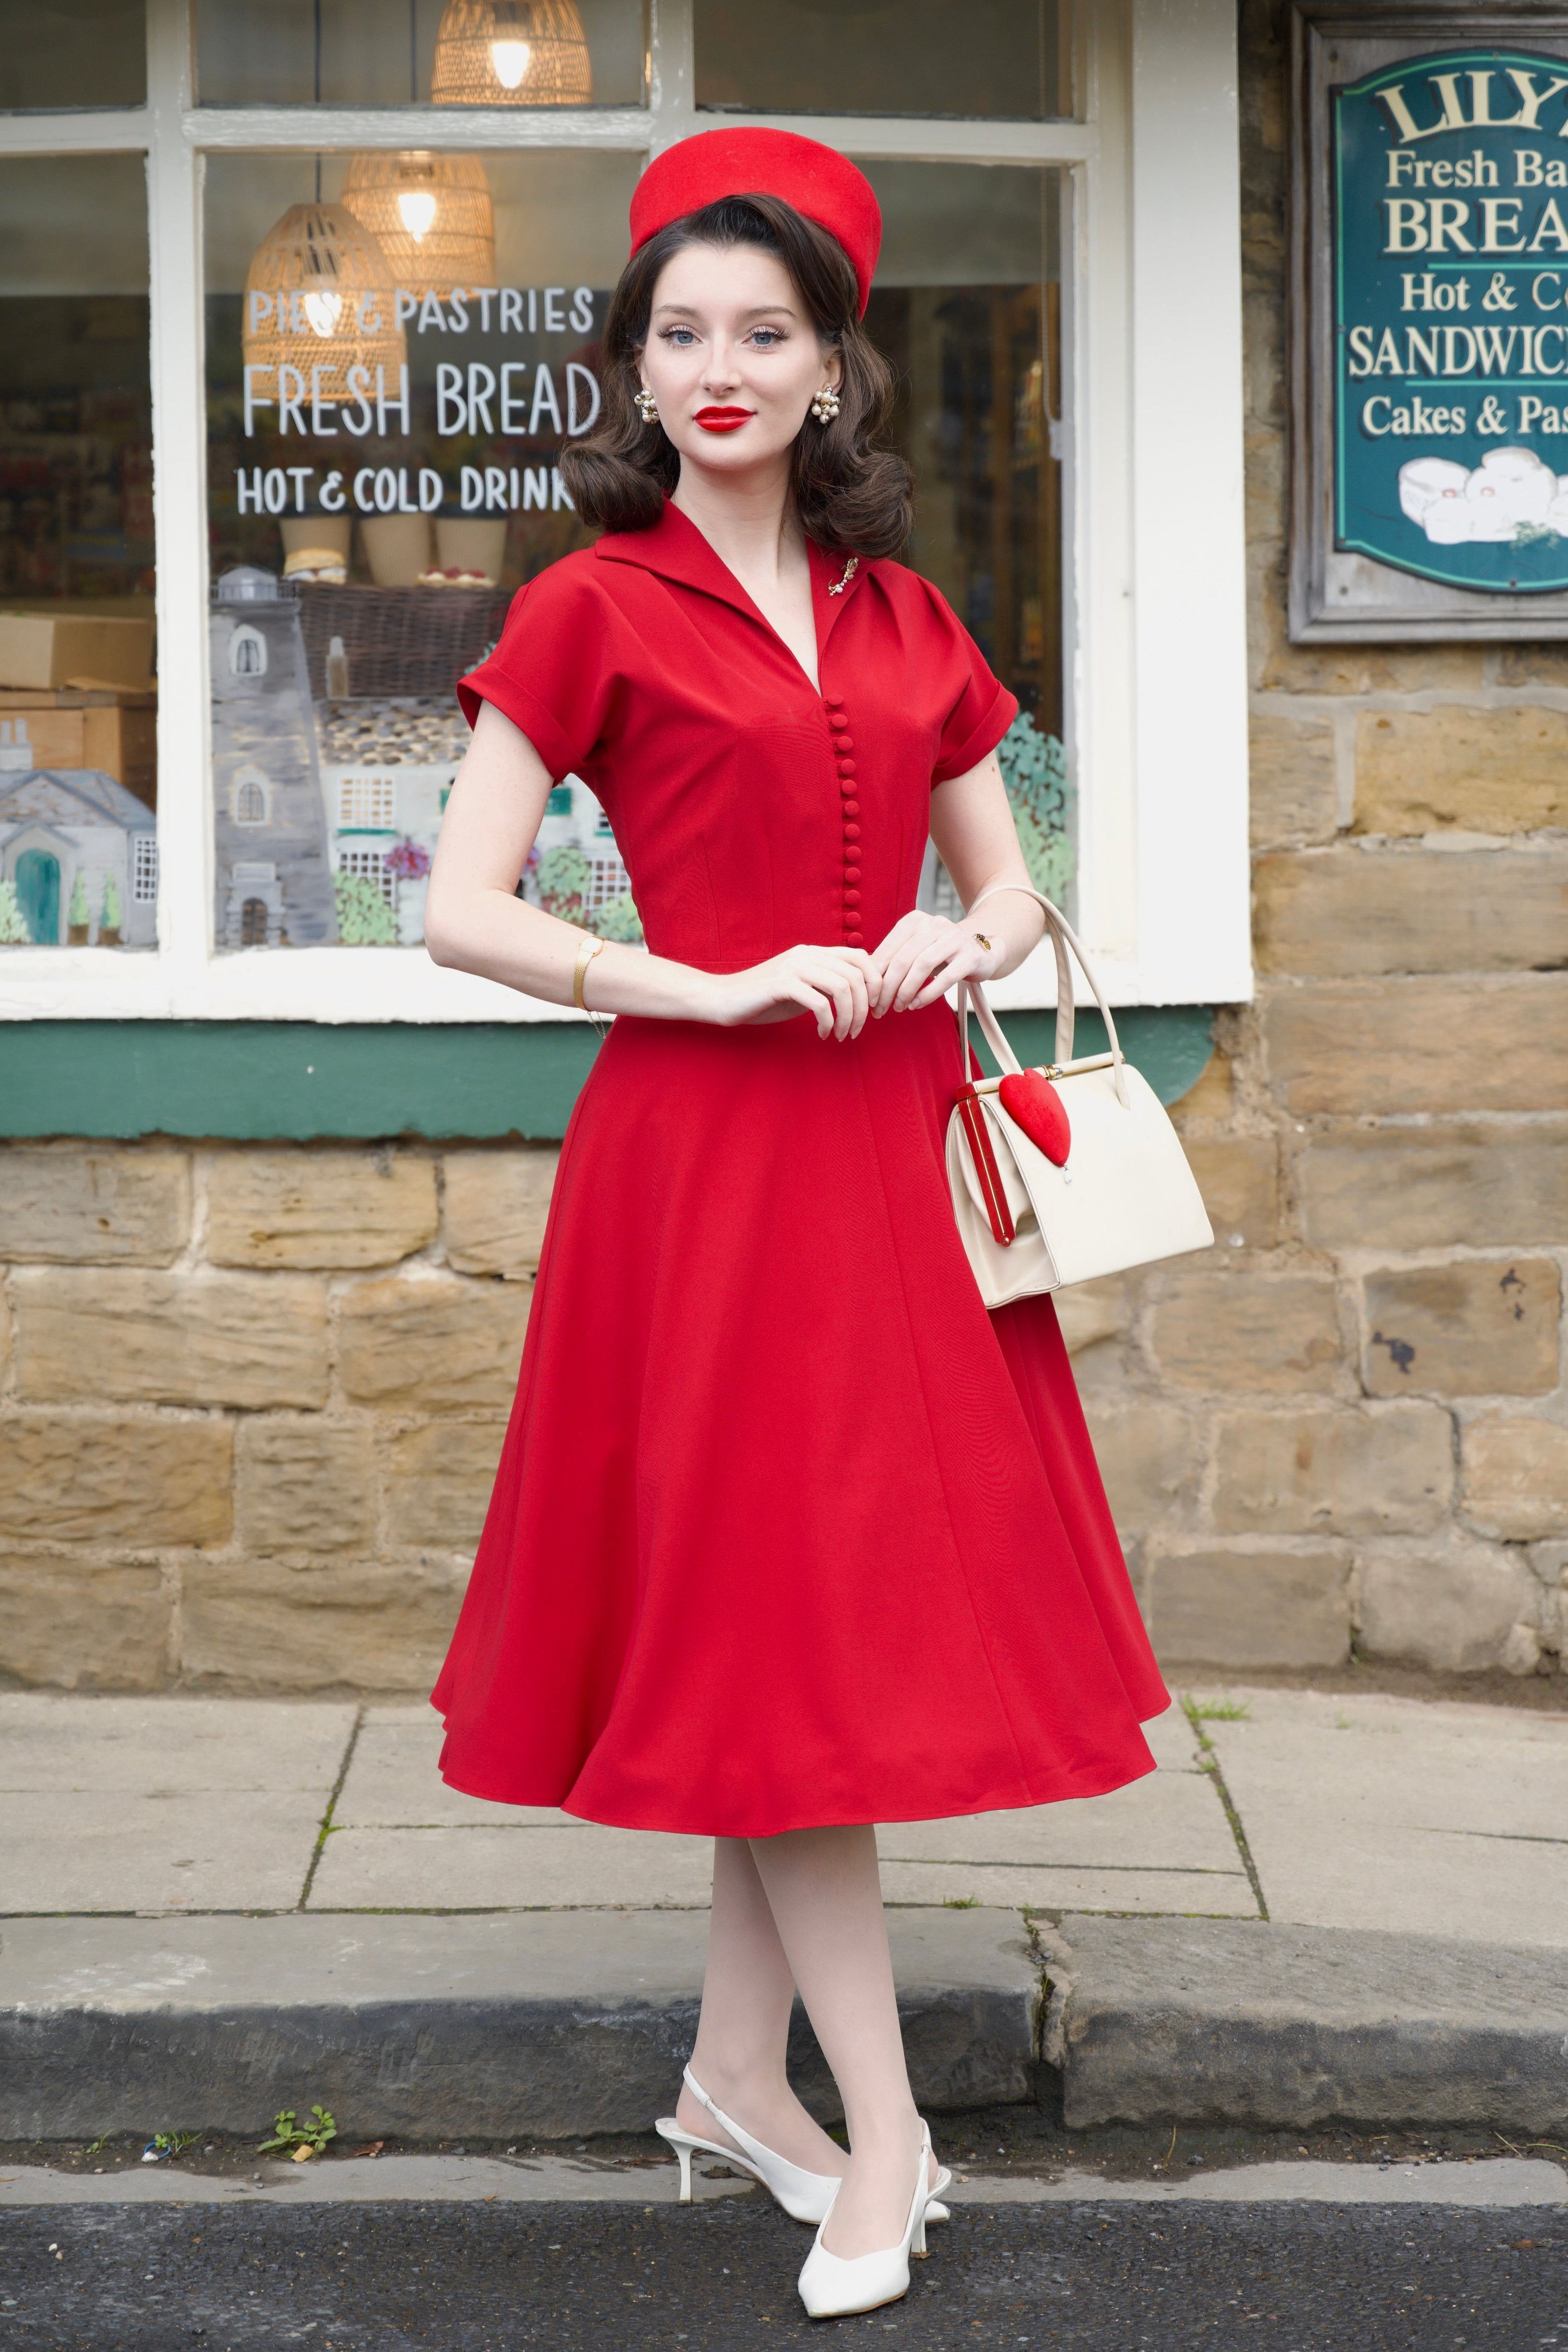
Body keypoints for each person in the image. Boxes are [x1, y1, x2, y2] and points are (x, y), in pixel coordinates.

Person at [424, 126, 1169, 2321]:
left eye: (765, 330)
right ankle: (888, 2131)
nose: (721, 367)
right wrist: (701, 982)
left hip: (894, 1161)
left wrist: (963, 932)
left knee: (807, 1626)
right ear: (638, 368)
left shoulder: (906, 613)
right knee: (779, 1631)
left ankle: (739, 2078)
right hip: (704, 1167)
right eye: (682, 333)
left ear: (834, 366)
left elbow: (1011, 880)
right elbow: (456, 907)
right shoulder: (587, 604)